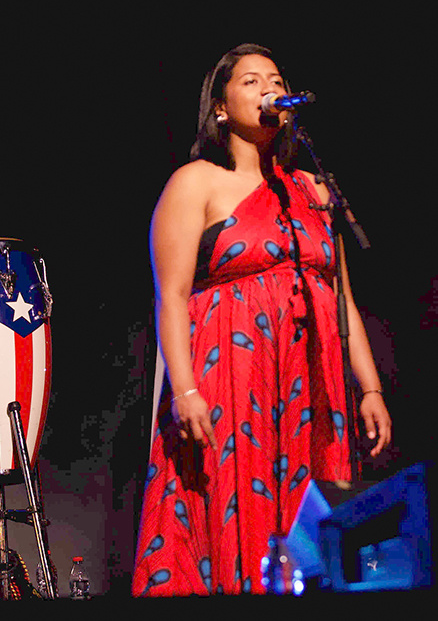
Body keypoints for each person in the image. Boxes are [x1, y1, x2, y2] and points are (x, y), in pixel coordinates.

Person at [132, 44, 392, 596]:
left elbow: (341, 297)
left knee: (310, 514)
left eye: (275, 79)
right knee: (235, 504)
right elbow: (172, 296)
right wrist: (184, 389)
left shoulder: (313, 189)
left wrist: (369, 386)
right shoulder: (195, 182)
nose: (268, 88)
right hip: (231, 376)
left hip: (310, 382)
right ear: (221, 108)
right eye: (250, 81)